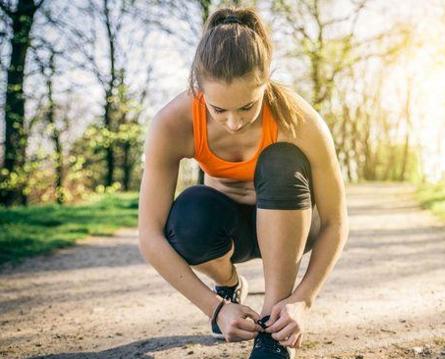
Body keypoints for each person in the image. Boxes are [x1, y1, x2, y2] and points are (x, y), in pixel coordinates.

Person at [136, 6, 349, 359]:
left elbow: (337, 221)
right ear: (198, 87)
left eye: (247, 107)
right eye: (218, 110)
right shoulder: (171, 124)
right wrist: (215, 308)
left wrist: (303, 300)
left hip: (295, 226)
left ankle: (274, 328)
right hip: (230, 233)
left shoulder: (300, 121)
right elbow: (149, 235)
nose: (234, 123)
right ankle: (230, 286)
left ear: (267, 81)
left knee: (281, 160)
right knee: (190, 214)